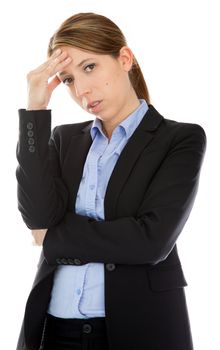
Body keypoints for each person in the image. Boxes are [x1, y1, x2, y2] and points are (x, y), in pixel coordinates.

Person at [15, 12, 206, 350]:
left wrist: (54, 240)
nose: (82, 89)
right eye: (69, 79)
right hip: (54, 330)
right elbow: (38, 217)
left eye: (89, 67)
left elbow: (150, 241)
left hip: (139, 327)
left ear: (124, 59)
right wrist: (35, 112)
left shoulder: (179, 139)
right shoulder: (64, 139)